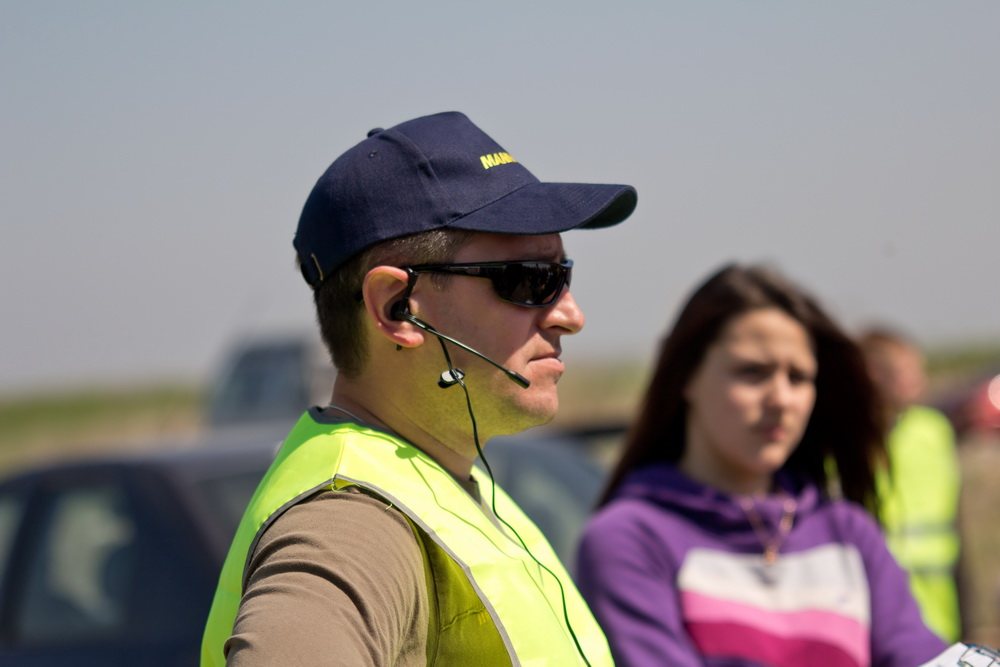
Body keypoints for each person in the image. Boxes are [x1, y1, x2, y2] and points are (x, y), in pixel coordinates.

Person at [200, 111, 637, 666]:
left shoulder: (448, 481)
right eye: (531, 279)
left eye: (563, 274)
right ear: (396, 309)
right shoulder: (348, 521)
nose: (570, 316)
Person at [576, 263, 946, 667]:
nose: (781, 399)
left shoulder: (849, 533)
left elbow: (918, 654)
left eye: (798, 377)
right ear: (685, 375)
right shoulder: (630, 538)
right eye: (752, 372)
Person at [859, 326, 963, 643]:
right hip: (874, 617)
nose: (919, 380)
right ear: (874, 374)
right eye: (908, 371)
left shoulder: (934, 430)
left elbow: (956, 524)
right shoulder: (850, 441)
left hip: (938, 614)